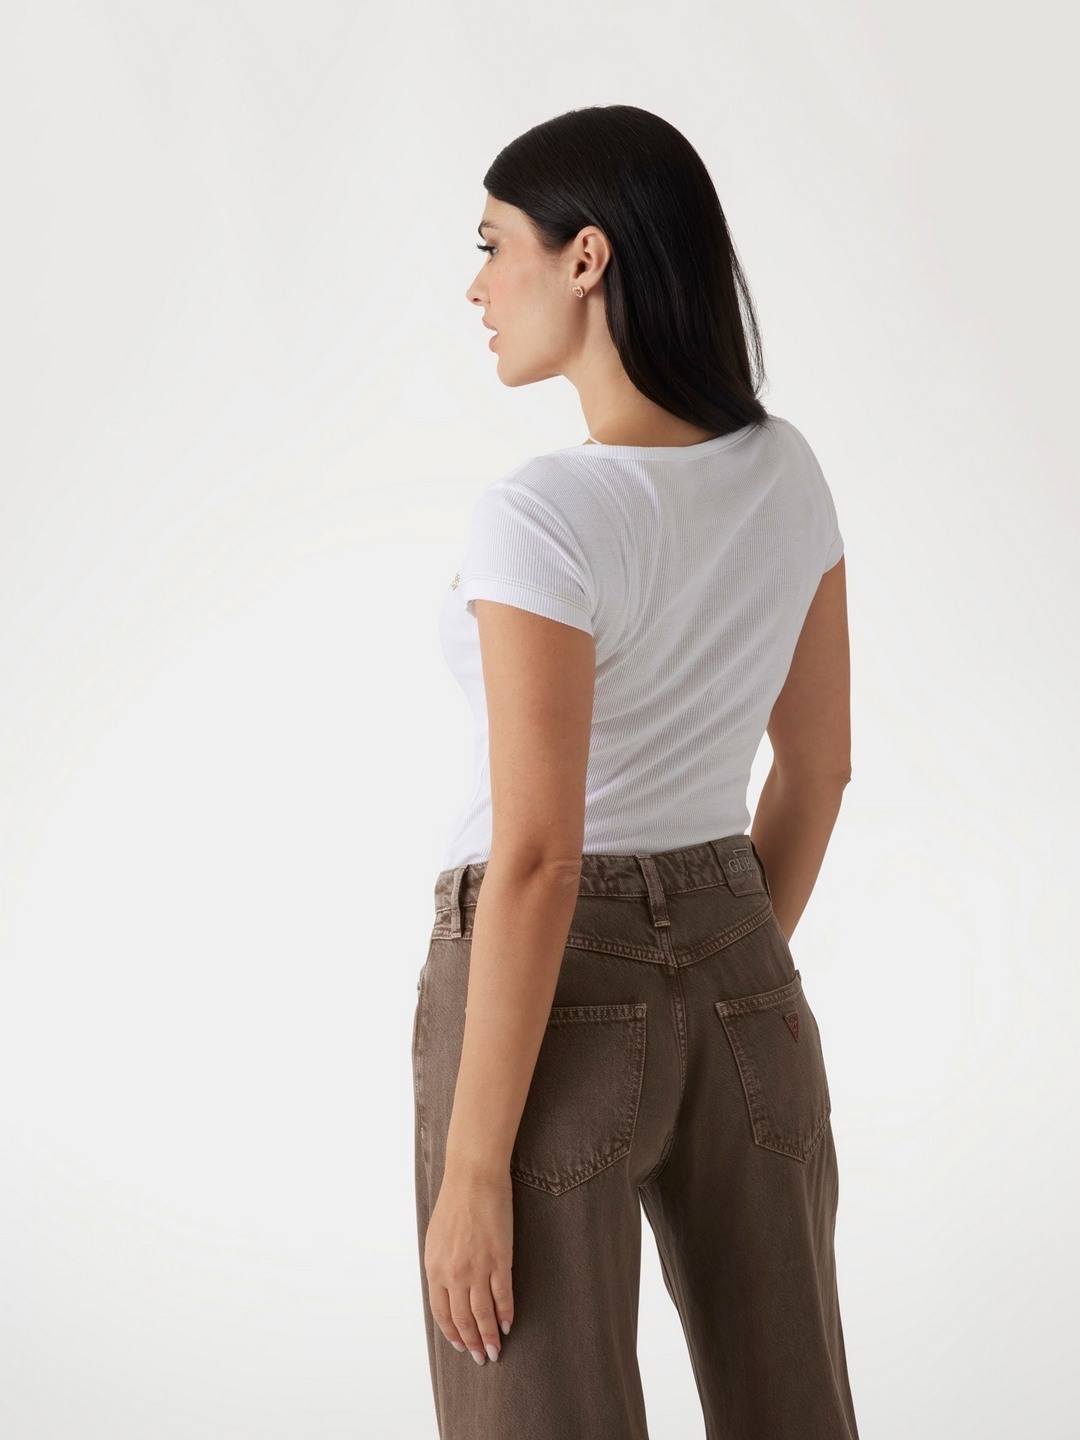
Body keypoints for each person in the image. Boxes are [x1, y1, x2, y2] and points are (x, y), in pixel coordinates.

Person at [411, 104, 860, 1439]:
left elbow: (540, 858)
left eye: (493, 245)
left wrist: (474, 1167)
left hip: (541, 997)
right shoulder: (786, 473)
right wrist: (715, 965)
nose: (478, 287)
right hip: (741, 963)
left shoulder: (545, 514)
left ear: (586, 257)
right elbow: (819, 769)